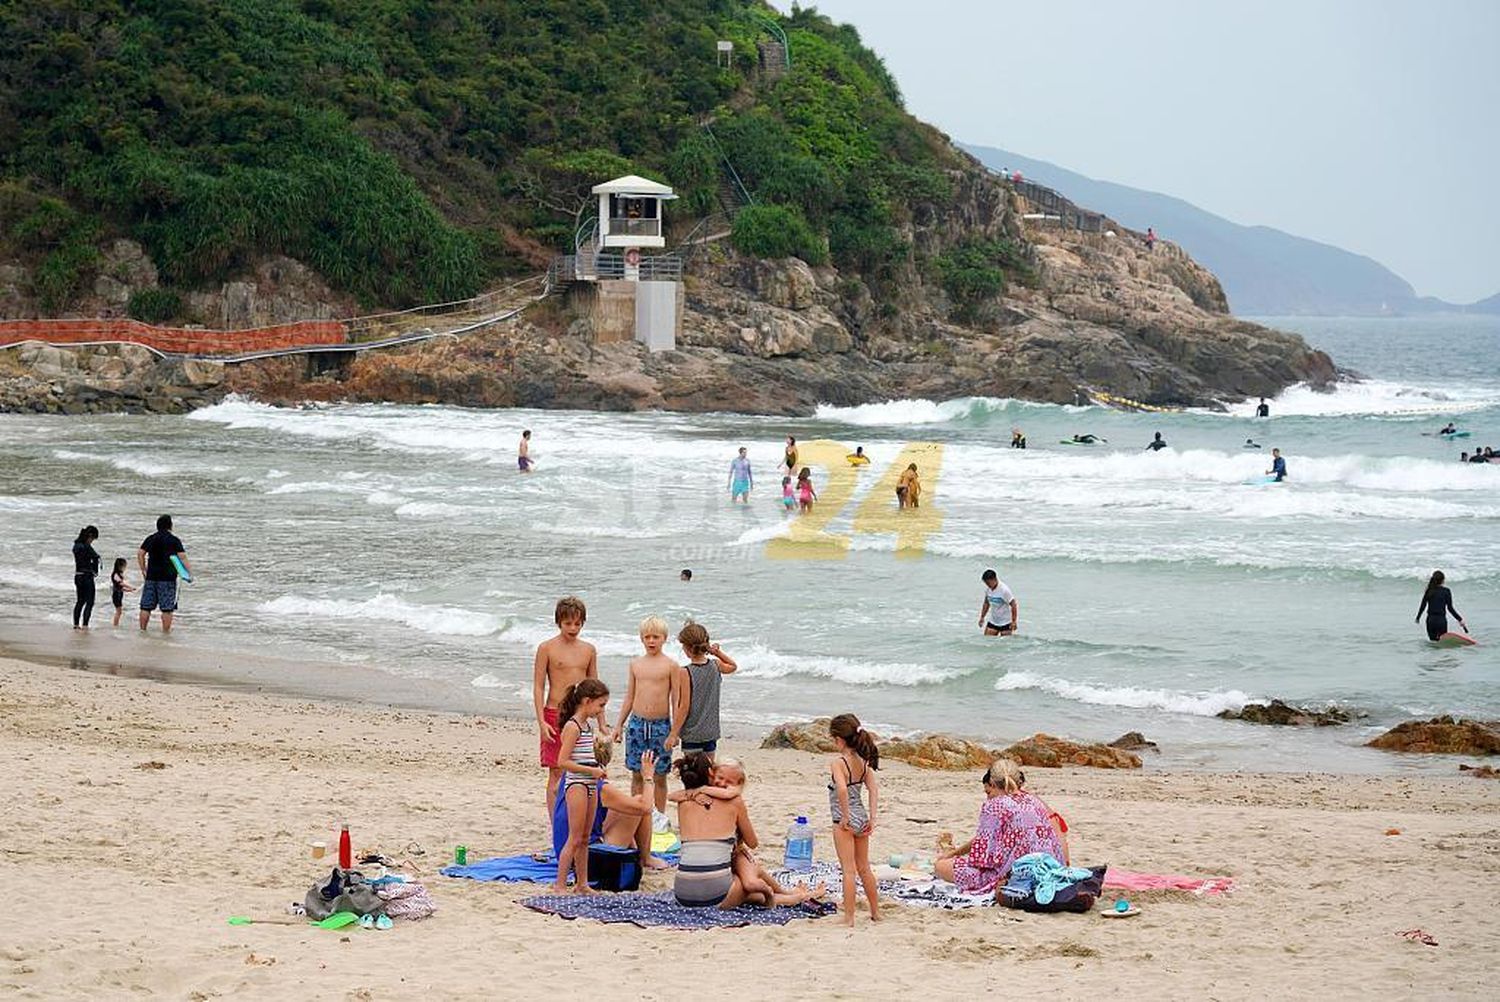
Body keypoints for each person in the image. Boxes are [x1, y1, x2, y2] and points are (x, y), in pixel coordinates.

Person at [934, 758, 1068, 895]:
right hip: (1049, 870)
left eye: (988, 793)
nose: (988, 798)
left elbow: (982, 859)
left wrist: (952, 857)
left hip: (1012, 877)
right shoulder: (1034, 800)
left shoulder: (995, 805)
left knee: (940, 866)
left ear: (992, 783)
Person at [534, 596, 600, 829]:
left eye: (577, 623)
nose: (572, 628)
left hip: (580, 716)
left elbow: (595, 686)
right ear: (559, 622)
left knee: (581, 771)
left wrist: (602, 723)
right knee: (555, 773)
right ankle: (557, 826)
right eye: (567, 623)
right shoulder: (546, 648)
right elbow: (539, 685)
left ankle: (577, 821)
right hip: (554, 714)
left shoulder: (589, 650)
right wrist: (542, 721)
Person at [672, 751, 762, 909]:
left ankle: (784, 894)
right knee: (751, 877)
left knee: (744, 873)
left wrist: (697, 792)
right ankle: (787, 896)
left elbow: (671, 796)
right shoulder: (734, 801)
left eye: (728, 781)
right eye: (720, 778)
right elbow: (753, 843)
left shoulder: (684, 800)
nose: (722, 783)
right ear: (711, 773)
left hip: (682, 894)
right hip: (716, 895)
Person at [614, 616, 680, 817]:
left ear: (664, 638)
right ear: (641, 638)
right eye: (647, 637)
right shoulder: (635, 664)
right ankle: (636, 812)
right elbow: (629, 696)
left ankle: (658, 816)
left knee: (659, 775)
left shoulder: (671, 665)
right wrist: (618, 725)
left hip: (661, 726)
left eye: (656, 637)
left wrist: (674, 732)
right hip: (637, 725)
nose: (651, 641)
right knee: (637, 773)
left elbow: (676, 700)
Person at [554, 678, 611, 893]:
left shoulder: (587, 726)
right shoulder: (573, 726)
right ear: (587, 701)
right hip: (577, 783)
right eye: (600, 705)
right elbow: (563, 762)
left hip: (590, 783)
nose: (601, 711)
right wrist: (591, 771)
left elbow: (587, 755)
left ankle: (582, 883)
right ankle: (560, 884)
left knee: (586, 837)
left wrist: (599, 766)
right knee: (575, 837)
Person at [828, 714, 881, 926]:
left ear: (839, 739)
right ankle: (875, 912)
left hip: (845, 818)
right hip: (863, 817)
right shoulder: (863, 761)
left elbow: (841, 789)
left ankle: (849, 917)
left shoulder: (839, 763)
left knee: (848, 870)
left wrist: (845, 815)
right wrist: (873, 817)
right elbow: (873, 789)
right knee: (864, 867)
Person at [593, 744, 669, 871]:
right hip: (591, 854)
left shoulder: (570, 778)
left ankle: (642, 854)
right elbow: (645, 807)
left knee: (623, 806)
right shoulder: (601, 788)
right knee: (639, 802)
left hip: (568, 848)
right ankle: (646, 858)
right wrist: (648, 778)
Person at [675, 621, 737, 759]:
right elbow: (733, 666)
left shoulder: (685, 672)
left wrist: (674, 733)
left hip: (692, 734)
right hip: (710, 732)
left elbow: (684, 707)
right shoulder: (716, 665)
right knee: (708, 772)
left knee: (693, 773)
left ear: (687, 648)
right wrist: (717, 652)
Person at [137, 515, 188, 634]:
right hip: (168, 578)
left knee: (145, 607)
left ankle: (142, 631)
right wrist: (188, 573)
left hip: (151, 577)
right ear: (170, 526)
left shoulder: (151, 538)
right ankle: (165, 633)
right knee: (167, 609)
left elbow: (140, 554)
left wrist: (143, 570)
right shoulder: (174, 540)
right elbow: (182, 558)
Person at [1415, 570, 1467, 642]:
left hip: (1430, 621)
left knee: (1433, 643)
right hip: (1441, 621)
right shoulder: (1446, 591)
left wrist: (1418, 617)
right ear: (1442, 580)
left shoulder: (1429, 590)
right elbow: (1450, 608)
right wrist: (1460, 619)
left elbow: (1423, 605)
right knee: (1442, 644)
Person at [71, 525, 100, 630]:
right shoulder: (86, 546)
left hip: (78, 575)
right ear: (90, 536)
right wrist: (95, 571)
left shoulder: (76, 545)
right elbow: (96, 557)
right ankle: (85, 625)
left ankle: (76, 624)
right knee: (90, 602)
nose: (92, 541)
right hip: (87, 576)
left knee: (80, 601)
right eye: (92, 539)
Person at [979, 569, 1018, 636]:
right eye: (986, 583)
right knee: (987, 642)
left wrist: (1014, 621)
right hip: (993, 621)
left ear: (994, 579)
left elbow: (1013, 605)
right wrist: (982, 617)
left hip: (1006, 623)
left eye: (988, 583)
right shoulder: (988, 590)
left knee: (1005, 645)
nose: (987, 585)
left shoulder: (1004, 590)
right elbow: (986, 603)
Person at [109, 557, 134, 628]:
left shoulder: (119, 574)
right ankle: (115, 625)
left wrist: (129, 590)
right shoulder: (115, 574)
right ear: (120, 566)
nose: (125, 568)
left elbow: (120, 588)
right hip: (116, 595)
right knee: (118, 611)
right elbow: (121, 584)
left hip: (119, 594)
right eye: (124, 566)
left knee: (119, 611)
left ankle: (116, 624)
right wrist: (130, 587)